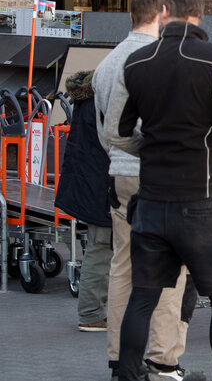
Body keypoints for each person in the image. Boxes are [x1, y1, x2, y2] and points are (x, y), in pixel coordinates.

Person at [102, 0, 212, 381]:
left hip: (152, 201)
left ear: (165, 12)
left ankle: (127, 375)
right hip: (202, 200)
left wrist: (149, 148)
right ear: (201, 14)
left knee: (142, 295)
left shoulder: (134, 63)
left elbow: (114, 133)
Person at [92, 0, 201, 381]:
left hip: (118, 173)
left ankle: (119, 356)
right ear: (163, 14)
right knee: (171, 269)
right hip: (159, 175)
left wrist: (122, 154)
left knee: (122, 265)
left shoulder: (106, 65)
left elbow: (107, 129)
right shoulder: (157, 60)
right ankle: (162, 357)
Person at [55, 71, 112, 334]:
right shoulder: (103, 101)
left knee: (99, 247)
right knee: (101, 249)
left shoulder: (87, 100)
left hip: (90, 182)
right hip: (101, 183)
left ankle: (93, 312)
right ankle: (90, 313)